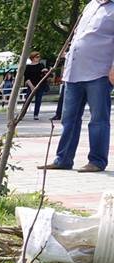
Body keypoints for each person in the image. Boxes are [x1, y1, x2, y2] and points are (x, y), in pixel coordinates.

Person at [39, 0, 114, 173]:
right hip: (74, 72)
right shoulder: (90, 5)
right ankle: (63, 159)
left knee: (98, 120)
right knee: (68, 119)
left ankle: (96, 161)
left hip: (99, 72)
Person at [22, 51, 50, 120]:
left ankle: (36, 114)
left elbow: (45, 75)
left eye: (39, 57)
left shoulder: (41, 65)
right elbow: (27, 78)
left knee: (38, 100)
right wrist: (31, 86)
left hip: (40, 85)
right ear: (32, 58)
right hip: (31, 85)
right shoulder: (28, 67)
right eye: (37, 57)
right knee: (27, 100)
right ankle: (22, 114)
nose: (38, 58)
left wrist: (46, 71)